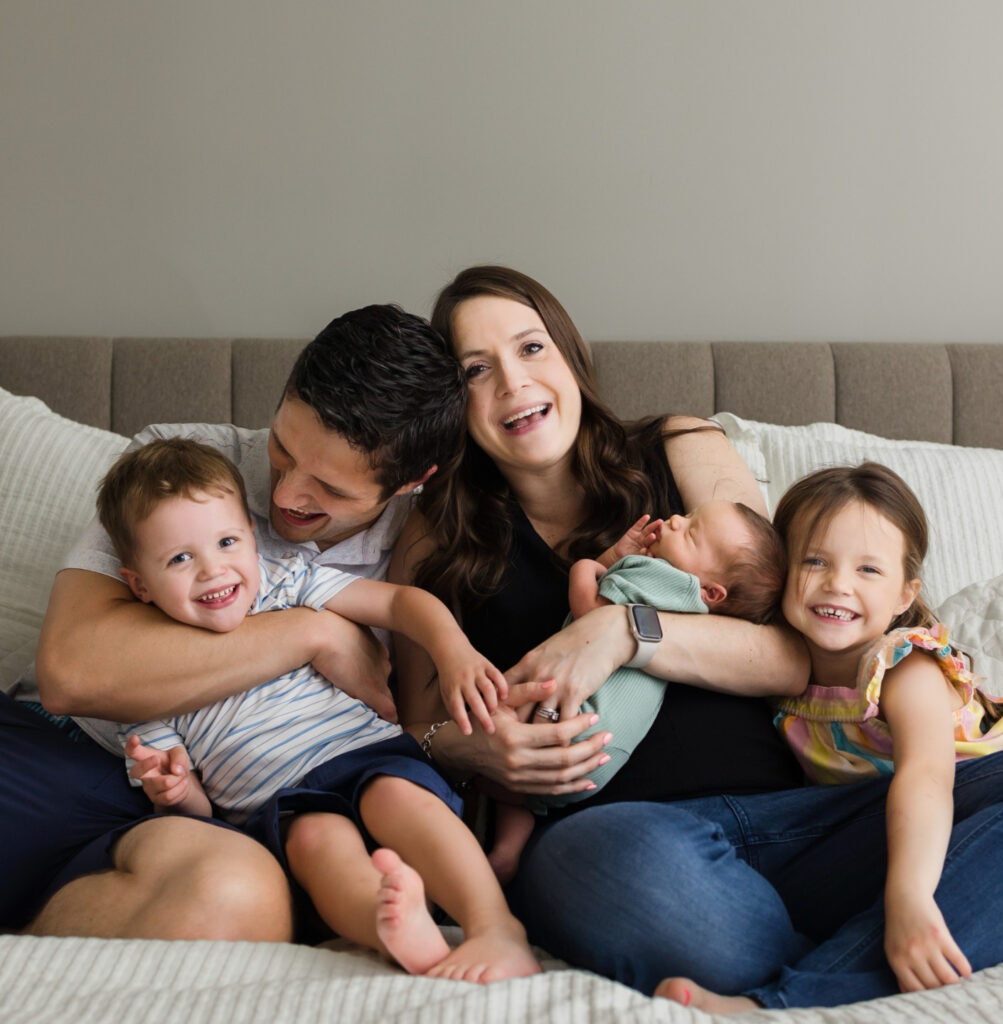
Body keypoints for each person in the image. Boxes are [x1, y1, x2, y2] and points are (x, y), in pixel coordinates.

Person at [389, 265, 1003, 1004]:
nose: (512, 382)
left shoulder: (677, 446)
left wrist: (624, 633)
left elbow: (792, 648)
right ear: (451, 399)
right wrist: (484, 750)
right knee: (596, 864)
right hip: (628, 841)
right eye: (476, 368)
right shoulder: (436, 540)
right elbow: (410, 727)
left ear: (568, 355)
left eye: (531, 349)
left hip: (808, 822)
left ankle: (786, 995)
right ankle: (859, 952)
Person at [1, 304, 483, 943]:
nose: (285, 496)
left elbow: (411, 721)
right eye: (283, 447)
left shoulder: (427, 542)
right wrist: (313, 633)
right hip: (63, 749)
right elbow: (74, 673)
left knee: (237, 897)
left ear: (411, 482)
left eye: (331, 491)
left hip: (214, 811)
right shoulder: (178, 467)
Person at [95, 438, 538, 982]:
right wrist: (174, 790)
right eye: (180, 558)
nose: (213, 571)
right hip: (280, 809)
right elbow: (197, 818)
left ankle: (495, 925)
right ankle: (397, 931)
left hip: (360, 755)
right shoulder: (145, 679)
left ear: (252, 540)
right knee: (315, 842)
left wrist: (454, 651)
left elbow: (399, 602)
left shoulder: (286, 580)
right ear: (138, 584)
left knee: (394, 795)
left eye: (227, 542)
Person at [658, 463, 1003, 1012]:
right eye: (815, 560)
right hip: (867, 841)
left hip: (972, 812)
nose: (838, 583)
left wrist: (909, 895)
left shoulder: (902, 664)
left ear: (906, 593)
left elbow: (927, 776)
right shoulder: (769, 668)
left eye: (869, 569)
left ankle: (786, 1001)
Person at [486, 501, 787, 882]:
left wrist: (586, 565)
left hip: (575, 723)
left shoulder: (661, 575)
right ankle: (508, 850)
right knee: (525, 790)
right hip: (603, 754)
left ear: (711, 592)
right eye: (689, 517)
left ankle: (504, 848)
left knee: (503, 771)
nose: (677, 519)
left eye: (692, 533)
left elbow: (589, 610)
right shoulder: (699, 614)